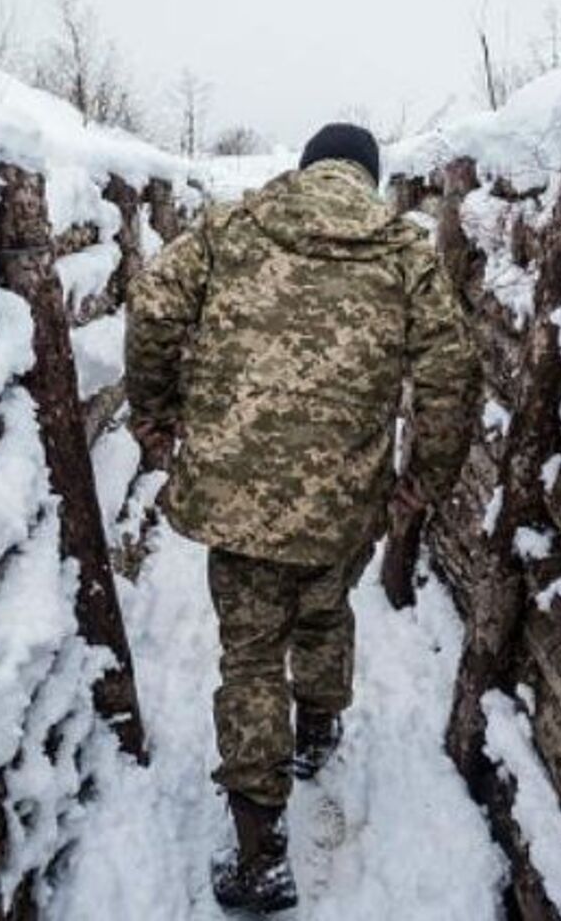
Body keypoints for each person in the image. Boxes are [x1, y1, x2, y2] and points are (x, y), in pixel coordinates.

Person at [125, 123, 478, 913]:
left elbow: (152, 304)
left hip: (234, 495)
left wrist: (155, 413)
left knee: (250, 655)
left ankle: (258, 854)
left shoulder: (232, 225)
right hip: (345, 499)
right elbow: (452, 372)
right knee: (323, 610)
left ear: (309, 165)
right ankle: (318, 730)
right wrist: (423, 479)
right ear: (369, 176)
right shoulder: (404, 251)